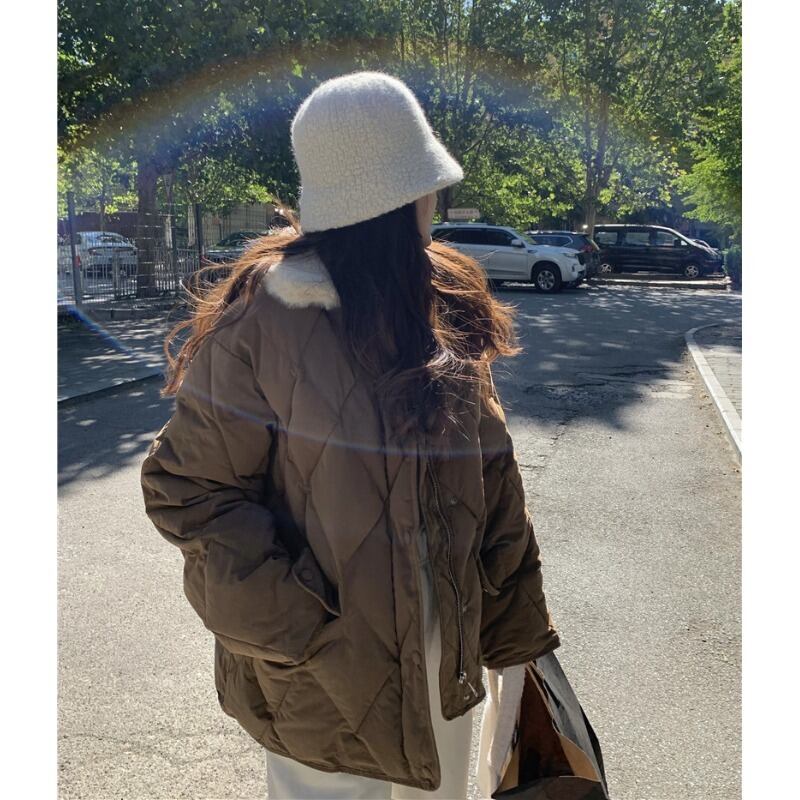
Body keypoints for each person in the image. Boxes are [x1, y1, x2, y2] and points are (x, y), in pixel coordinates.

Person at [140, 71, 560, 799]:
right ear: (395, 199)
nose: (434, 202)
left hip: (442, 670)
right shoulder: (265, 319)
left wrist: (517, 636)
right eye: (424, 185)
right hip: (320, 686)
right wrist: (298, 629)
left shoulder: (445, 299)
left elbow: (494, 480)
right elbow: (188, 490)